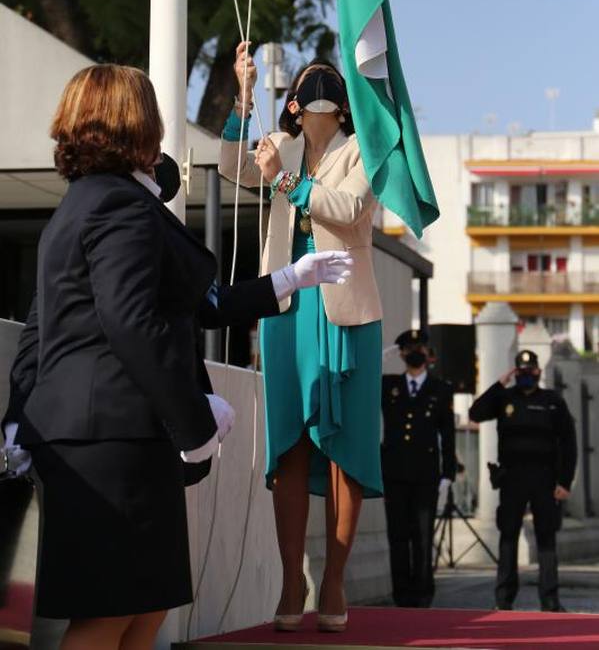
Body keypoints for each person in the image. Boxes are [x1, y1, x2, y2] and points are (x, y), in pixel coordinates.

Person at [0, 64, 352, 650]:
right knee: (109, 614)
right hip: (109, 440)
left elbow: (181, 305)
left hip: (107, 437)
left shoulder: (90, 202)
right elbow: (133, 324)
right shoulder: (118, 207)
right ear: (136, 123)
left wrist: (290, 277)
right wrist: (193, 420)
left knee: (146, 608)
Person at [219, 44, 383, 632]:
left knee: (345, 446)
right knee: (288, 442)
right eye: (306, 92)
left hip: (344, 307)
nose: (316, 94)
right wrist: (243, 94)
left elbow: (348, 206)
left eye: (327, 91)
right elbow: (231, 165)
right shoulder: (278, 146)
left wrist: (285, 181)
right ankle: (294, 578)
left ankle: (333, 578)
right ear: (291, 106)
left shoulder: (364, 148)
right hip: (285, 304)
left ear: (342, 109)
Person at [469, 349, 577, 613]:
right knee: (508, 536)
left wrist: (564, 482)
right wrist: (499, 384)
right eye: (522, 371)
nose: (527, 375)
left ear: (539, 372)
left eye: (531, 371)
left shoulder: (553, 401)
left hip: (544, 479)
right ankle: (504, 599)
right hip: (512, 479)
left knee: (546, 538)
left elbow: (569, 442)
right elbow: (476, 412)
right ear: (516, 373)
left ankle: (550, 599)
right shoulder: (505, 398)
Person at [381, 329, 456, 608]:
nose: (414, 352)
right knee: (398, 537)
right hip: (395, 474)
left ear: (427, 354)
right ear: (400, 354)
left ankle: (423, 594)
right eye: (408, 348)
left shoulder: (441, 389)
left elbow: (448, 434)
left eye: (420, 348)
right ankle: (401, 595)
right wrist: (376, 360)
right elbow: (358, 385)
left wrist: (448, 473)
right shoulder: (388, 385)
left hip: (426, 476)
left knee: (423, 537)